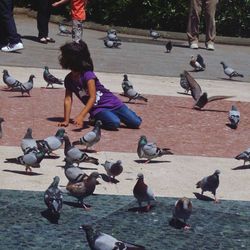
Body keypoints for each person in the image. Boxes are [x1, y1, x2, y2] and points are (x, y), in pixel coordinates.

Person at [58, 40, 142, 130]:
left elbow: (92, 97)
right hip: (97, 109)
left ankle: (110, 116)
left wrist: (81, 116)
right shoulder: (68, 79)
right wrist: (66, 120)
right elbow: (68, 99)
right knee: (114, 123)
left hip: (113, 103)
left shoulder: (88, 74)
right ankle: (97, 118)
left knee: (136, 123)